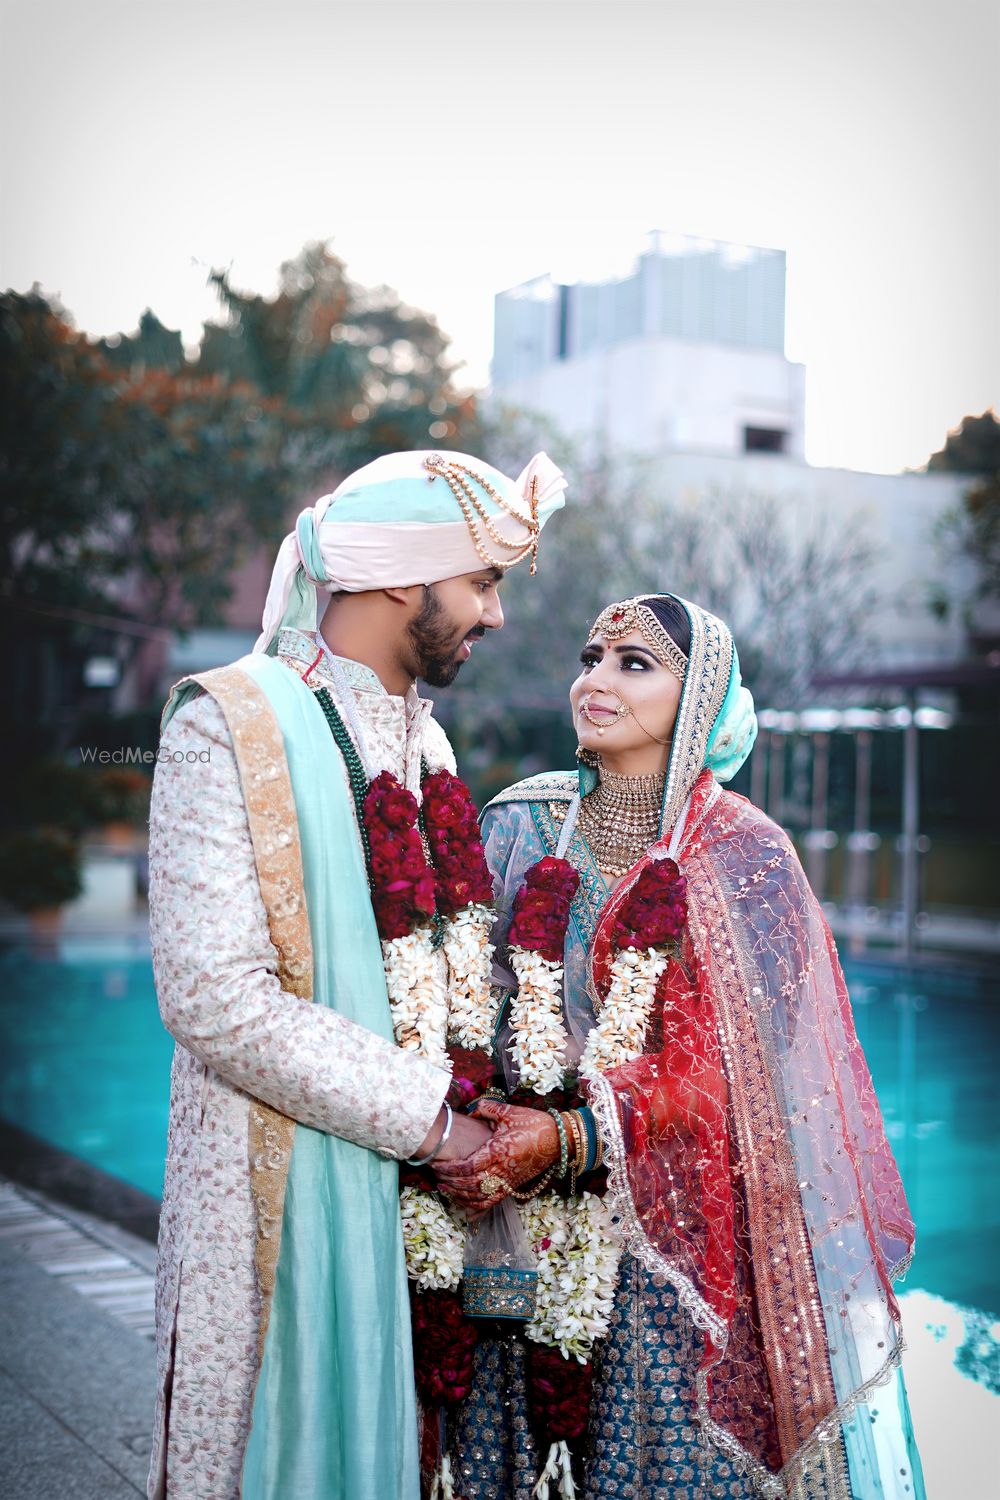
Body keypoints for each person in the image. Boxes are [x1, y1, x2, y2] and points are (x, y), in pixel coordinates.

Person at [430, 593, 924, 1500]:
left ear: (699, 697)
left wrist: (575, 1137)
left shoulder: (747, 856)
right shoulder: (514, 825)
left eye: (635, 662)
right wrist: (493, 1130)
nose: (596, 679)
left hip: (672, 1241)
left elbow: (745, 1076)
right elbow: (457, 1005)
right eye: (591, 655)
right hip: (508, 1218)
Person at [145, 448, 567, 1500]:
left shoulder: (432, 754)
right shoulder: (224, 722)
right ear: (399, 574)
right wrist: (437, 1123)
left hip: (399, 1219)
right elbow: (211, 998)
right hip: (268, 1197)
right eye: (484, 581)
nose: (495, 616)